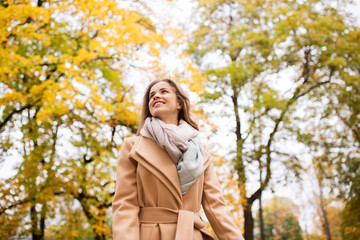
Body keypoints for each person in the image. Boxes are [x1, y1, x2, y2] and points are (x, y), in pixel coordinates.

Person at [112, 79, 244, 240]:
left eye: (163, 91)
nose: (156, 96)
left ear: (179, 103)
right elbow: (125, 206)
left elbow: (216, 207)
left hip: (191, 234)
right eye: (152, 95)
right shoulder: (133, 147)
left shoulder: (200, 151)